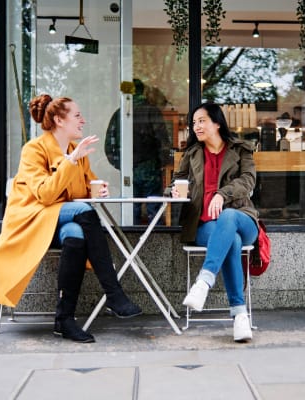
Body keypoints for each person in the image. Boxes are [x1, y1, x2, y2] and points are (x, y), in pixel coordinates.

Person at [0, 94, 142, 343]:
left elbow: (80, 192)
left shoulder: (75, 150)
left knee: (77, 235)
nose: (83, 120)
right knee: (84, 213)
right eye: (77, 115)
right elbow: (46, 195)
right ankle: (113, 293)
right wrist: (70, 161)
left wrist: (98, 188)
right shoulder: (34, 150)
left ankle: (64, 320)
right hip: (31, 220)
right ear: (59, 120)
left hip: (60, 221)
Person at [170, 102, 259, 342]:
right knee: (232, 241)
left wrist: (222, 194)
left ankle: (204, 281)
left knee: (229, 219)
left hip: (242, 217)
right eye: (194, 122)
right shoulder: (192, 154)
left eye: (201, 121)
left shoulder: (241, 150)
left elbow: (248, 181)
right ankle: (240, 316)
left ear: (217, 123)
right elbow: (178, 180)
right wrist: (176, 191)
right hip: (205, 225)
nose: (196, 126)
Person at [105, 79, 171, 224]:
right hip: (150, 168)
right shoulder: (151, 111)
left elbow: (109, 145)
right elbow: (163, 142)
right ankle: (157, 244)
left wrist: (120, 164)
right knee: (154, 211)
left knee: (129, 212)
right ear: (142, 91)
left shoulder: (119, 114)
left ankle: (129, 243)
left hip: (128, 169)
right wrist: (162, 163)